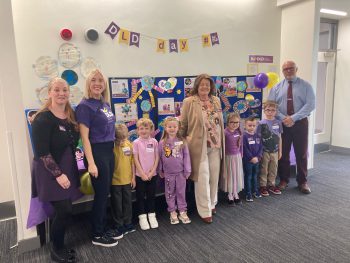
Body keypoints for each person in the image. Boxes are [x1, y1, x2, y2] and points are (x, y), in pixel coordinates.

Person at [31, 77, 81, 263]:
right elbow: (42, 152)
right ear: (49, 92)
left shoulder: (71, 116)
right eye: (57, 90)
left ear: (69, 93)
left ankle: (58, 244)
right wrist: (58, 174)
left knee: (64, 209)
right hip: (50, 171)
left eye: (65, 90)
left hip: (68, 168)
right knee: (64, 210)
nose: (61, 93)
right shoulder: (42, 118)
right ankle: (56, 248)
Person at [75, 69, 119, 247]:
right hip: (96, 152)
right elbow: (84, 138)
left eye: (101, 80)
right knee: (101, 194)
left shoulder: (104, 103)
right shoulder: (85, 106)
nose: (98, 83)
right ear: (88, 84)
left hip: (109, 150)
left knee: (105, 192)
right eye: (94, 80)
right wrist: (91, 163)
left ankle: (102, 226)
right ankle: (97, 234)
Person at [180, 74, 225, 223]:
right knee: (203, 178)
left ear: (211, 87)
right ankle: (204, 210)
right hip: (199, 146)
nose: (205, 87)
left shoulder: (216, 100)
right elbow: (184, 124)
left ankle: (212, 203)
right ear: (197, 86)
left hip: (216, 144)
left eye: (207, 84)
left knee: (214, 177)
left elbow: (219, 122)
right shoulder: (189, 101)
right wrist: (183, 140)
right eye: (202, 84)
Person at [268, 60, 315, 194]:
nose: (288, 71)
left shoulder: (306, 86)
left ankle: (303, 181)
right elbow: (271, 106)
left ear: (296, 69)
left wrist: (293, 118)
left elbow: (310, 104)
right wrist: (284, 118)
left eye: (291, 68)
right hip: (282, 124)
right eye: (285, 69)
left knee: (301, 153)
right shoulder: (276, 88)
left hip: (300, 123)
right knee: (283, 153)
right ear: (282, 72)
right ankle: (283, 180)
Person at [158, 117, 192, 224]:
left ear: (178, 128)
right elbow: (159, 158)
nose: (172, 129)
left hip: (181, 173)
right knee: (169, 193)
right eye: (169, 127)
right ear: (165, 128)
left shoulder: (182, 142)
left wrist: (187, 170)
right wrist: (160, 170)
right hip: (168, 173)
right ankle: (172, 211)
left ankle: (182, 211)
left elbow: (186, 157)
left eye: (174, 126)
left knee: (181, 192)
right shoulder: (162, 143)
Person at [133, 118, 160, 230]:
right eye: (141, 128)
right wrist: (142, 174)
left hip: (152, 175)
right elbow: (135, 159)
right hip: (140, 176)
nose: (143, 131)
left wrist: (152, 171)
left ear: (151, 130)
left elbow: (157, 157)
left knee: (151, 196)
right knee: (140, 197)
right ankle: (142, 217)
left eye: (146, 128)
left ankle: (151, 215)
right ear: (138, 130)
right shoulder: (135, 143)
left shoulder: (154, 142)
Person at [110, 124, 136, 237]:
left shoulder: (129, 144)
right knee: (117, 204)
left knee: (127, 203)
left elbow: (132, 162)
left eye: (123, 138)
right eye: (118, 139)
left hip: (127, 180)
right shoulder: (111, 147)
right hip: (115, 181)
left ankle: (128, 222)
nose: (121, 141)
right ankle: (118, 224)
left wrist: (133, 177)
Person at [258, 101, 283, 196]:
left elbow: (280, 137)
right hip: (264, 151)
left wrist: (280, 151)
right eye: (268, 110)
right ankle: (263, 186)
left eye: (273, 110)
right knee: (264, 168)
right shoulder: (261, 123)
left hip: (275, 151)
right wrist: (259, 152)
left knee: (273, 168)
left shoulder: (278, 123)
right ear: (264, 111)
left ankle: (271, 185)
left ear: (276, 112)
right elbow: (258, 139)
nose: (270, 112)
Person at [220, 112, 244, 206]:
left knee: (236, 175)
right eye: (232, 122)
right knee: (230, 175)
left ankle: (235, 193)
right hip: (228, 158)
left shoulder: (239, 132)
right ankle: (230, 194)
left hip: (237, 157)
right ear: (228, 122)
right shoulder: (225, 133)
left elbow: (240, 145)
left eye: (237, 122)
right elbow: (222, 146)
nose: (234, 124)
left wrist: (241, 154)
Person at [243, 116, 263, 202]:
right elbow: (244, 148)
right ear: (245, 125)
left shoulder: (258, 136)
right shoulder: (244, 136)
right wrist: (251, 158)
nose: (252, 127)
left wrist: (258, 157)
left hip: (257, 160)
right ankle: (248, 193)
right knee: (248, 176)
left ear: (256, 126)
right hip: (248, 161)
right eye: (249, 125)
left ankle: (255, 191)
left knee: (255, 176)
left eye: (253, 125)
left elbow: (261, 147)